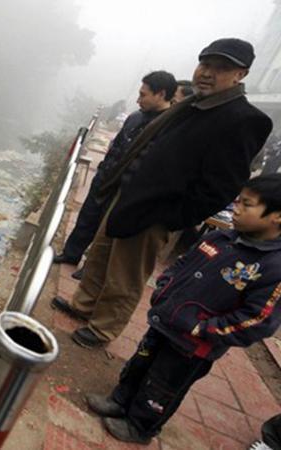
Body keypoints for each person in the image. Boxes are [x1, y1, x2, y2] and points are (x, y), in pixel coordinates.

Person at [52, 38, 274, 348]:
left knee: (124, 275)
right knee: (101, 255)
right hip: (129, 195)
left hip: (157, 212)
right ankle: (83, 305)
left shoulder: (243, 118)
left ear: (241, 75)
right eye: (205, 65)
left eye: (220, 68)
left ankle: (103, 329)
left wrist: (171, 218)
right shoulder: (190, 104)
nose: (207, 73)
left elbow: (222, 186)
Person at [84, 174, 281, 444]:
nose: (236, 207)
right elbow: (182, 263)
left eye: (247, 204)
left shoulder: (272, 267)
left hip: (194, 344)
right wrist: (164, 288)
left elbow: (257, 320)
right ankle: (120, 400)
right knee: (140, 363)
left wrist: (204, 329)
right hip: (167, 322)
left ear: (276, 217)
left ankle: (140, 426)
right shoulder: (222, 237)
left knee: (163, 386)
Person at [53, 71, 177, 269]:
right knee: (88, 217)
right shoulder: (135, 118)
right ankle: (71, 254)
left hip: (127, 188)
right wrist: (103, 170)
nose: (138, 100)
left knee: (107, 229)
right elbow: (117, 146)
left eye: (143, 95)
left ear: (161, 94)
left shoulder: (169, 127)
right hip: (107, 177)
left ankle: (89, 269)